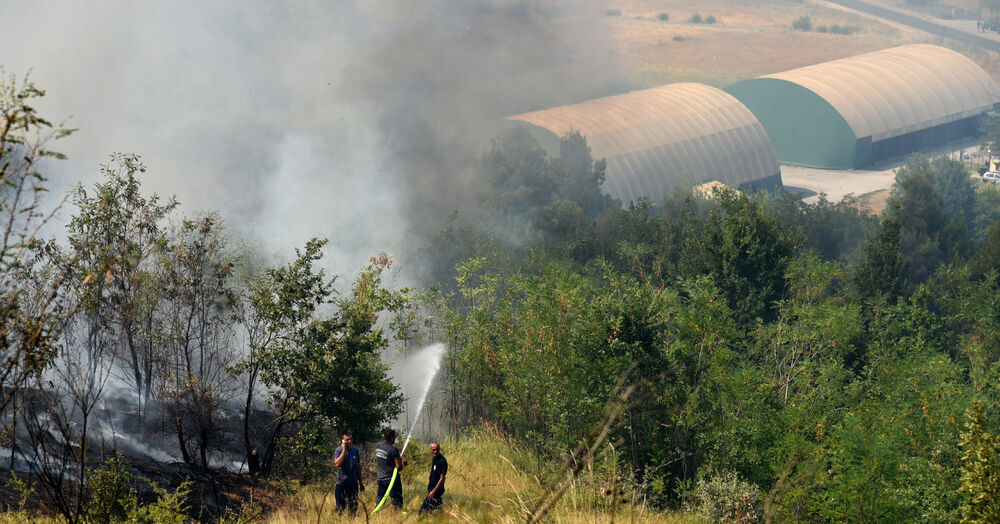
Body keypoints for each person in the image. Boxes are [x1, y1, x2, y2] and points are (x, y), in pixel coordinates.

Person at [374, 428, 407, 509]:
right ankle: (397, 516)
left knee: (380, 499)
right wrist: (403, 463)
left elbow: (387, 455)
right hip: (391, 479)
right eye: (394, 438)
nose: (395, 439)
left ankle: (377, 515)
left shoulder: (378, 445)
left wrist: (399, 457)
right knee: (397, 499)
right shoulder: (393, 449)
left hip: (380, 478)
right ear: (392, 438)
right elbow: (399, 467)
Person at [333, 430, 363, 514]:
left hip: (353, 483)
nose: (349, 441)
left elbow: (358, 466)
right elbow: (337, 464)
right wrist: (343, 450)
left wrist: (360, 482)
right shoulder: (338, 450)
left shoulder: (355, 451)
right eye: (347, 440)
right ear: (343, 441)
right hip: (342, 483)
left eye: (351, 439)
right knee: (340, 508)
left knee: (353, 507)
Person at [419, 441, 447, 514]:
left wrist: (433, 491)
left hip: (436, 491)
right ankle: (443, 518)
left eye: (437, 449)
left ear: (439, 449)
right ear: (430, 449)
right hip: (432, 489)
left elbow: (442, 478)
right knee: (435, 510)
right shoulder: (434, 458)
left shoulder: (442, 461)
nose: (435, 451)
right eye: (433, 449)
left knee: (422, 512)